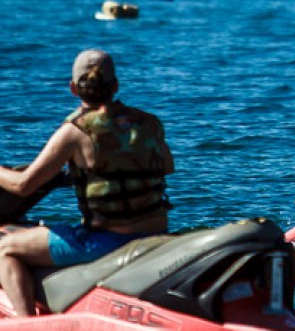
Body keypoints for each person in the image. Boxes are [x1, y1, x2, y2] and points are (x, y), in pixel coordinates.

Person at [0, 50, 173, 317]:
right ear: (115, 86)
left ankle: (24, 327)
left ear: (73, 88)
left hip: (106, 241)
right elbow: (167, 166)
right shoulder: (149, 123)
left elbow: (23, 185)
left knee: (5, 248)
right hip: (155, 232)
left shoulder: (76, 131)